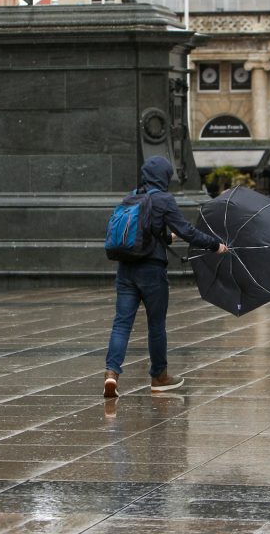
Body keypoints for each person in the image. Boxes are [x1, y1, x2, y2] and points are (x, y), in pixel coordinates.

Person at [103, 156, 227, 398]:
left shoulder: (131, 197)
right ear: (164, 177)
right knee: (156, 325)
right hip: (151, 272)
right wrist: (215, 245)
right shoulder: (163, 199)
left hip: (126, 269)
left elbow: (146, 234)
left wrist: (170, 237)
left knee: (121, 324)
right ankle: (159, 376)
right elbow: (187, 230)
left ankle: (111, 374)